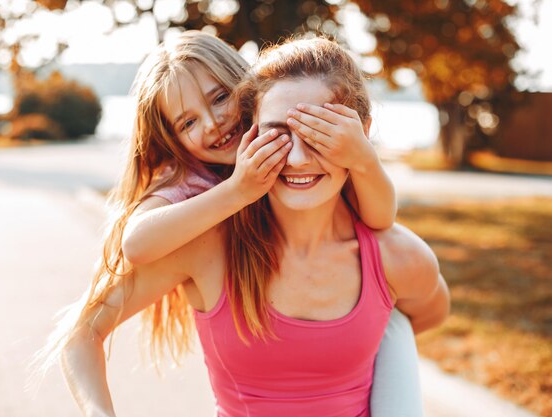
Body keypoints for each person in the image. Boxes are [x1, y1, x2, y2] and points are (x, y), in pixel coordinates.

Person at [48, 35, 450, 416]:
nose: (294, 158)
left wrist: (370, 329)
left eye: (316, 135)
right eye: (276, 135)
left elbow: (392, 237)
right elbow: (95, 312)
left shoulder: (395, 255)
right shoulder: (197, 219)